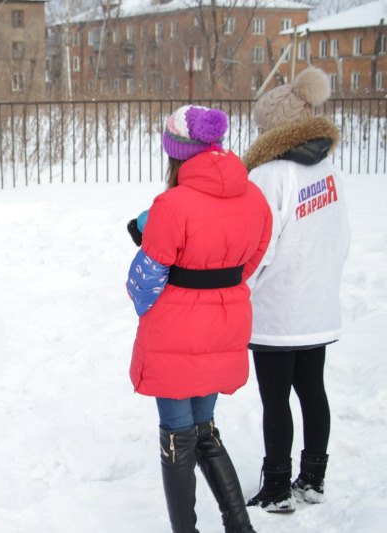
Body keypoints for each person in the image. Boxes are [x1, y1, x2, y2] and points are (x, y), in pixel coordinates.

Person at [126, 105, 272, 533]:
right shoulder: (255, 198)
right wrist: (219, 291)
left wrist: (159, 299)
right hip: (226, 326)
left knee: (176, 431)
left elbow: (144, 280)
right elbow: (254, 260)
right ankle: (239, 525)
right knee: (203, 427)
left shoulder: (171, 205)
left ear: (175, 154)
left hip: (176, 333)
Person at [243, 67, 350, 513]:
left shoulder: (270, 176)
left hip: (277, 311)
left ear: (274, 127)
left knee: (275, 400)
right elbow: (341, 237)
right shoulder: (329, 171)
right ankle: (313, 478)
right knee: (312, 391)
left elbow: (257, 247)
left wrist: (242, 288)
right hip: (317, 306)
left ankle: (276, 487)